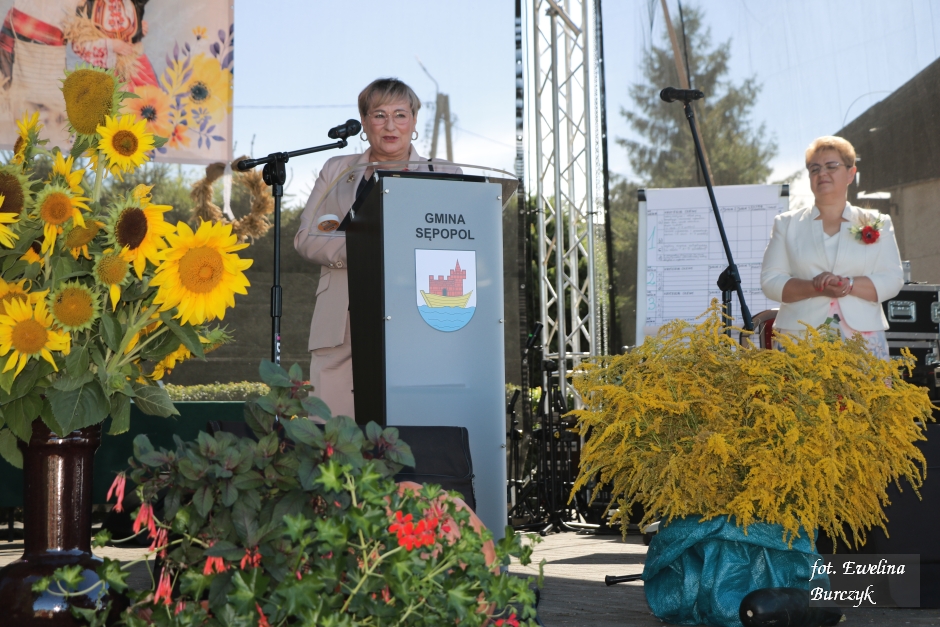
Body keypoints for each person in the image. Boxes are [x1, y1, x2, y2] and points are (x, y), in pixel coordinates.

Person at [294, 78, 460, 418]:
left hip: (420, 315)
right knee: (332, 432)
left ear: (414, 121)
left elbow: (459, 242)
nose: (390, 125)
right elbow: (306, 239)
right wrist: (366, 249)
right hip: (342, 318)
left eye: (400, 115)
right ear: (364, 122)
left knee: (411, 431)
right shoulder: (336, 170)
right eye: (379, 115)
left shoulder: (444, 172)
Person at [760, 136, 903, 358]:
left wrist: (848, 285)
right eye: (814, 169)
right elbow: (770, 282)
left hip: (863, 339)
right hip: (799, 338)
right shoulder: (786, 224)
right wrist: (814, 287)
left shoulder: (878, 222)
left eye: (831, 166)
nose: (822, 173)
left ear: (851, 173)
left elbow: (892, 279)